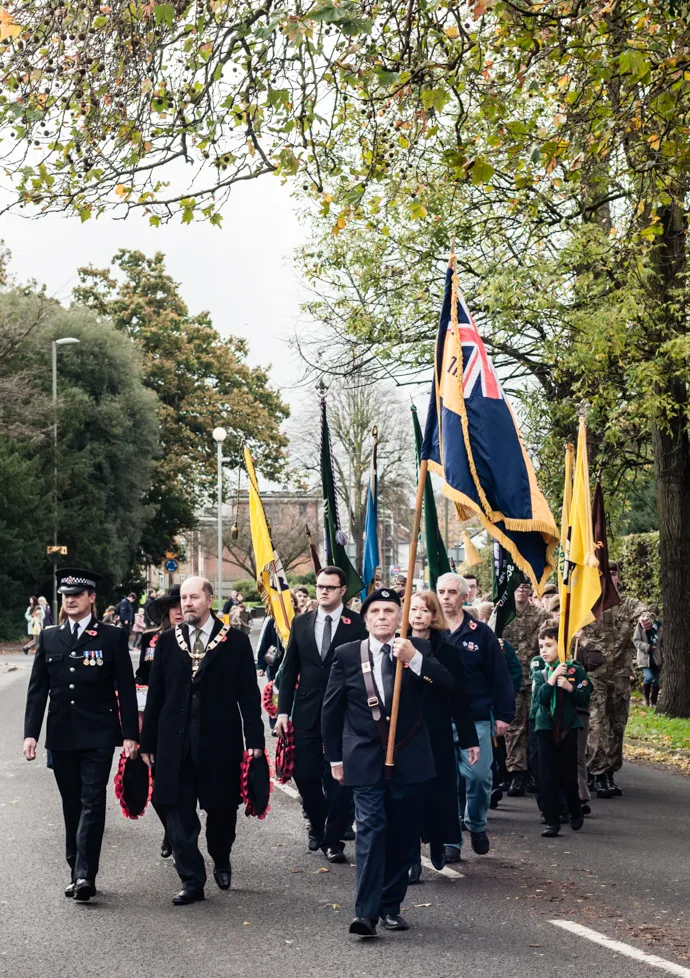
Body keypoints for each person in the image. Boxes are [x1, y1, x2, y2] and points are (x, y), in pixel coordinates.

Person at [322, 587, 454, 937]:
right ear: (365, 619)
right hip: (363, 758)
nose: (382, 617)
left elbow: (447, 686)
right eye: (376, 611)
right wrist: (334, 757)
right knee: (370, 829)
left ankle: (391, 905)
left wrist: (414, 659)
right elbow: (331, 710)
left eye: (390, 611)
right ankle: (365, 913)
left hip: (410, 757)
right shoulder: (348, 654)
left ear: (400, 618)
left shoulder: (418, 649)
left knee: (403, 835)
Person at [140, 576, 264, 906]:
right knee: (177, 814)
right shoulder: (166, 642)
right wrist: (147, 742)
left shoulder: (235, 642)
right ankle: (191, 880)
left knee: (222, 812)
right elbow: (156, 696)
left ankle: (221, 858)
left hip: (218, 744)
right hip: (174, 744)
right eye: (184, 598)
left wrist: (255, 741)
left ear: (210, 600)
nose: (187, 603)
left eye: (194, 597)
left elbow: (249, 696)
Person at [23, 567, 139, 901]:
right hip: (61, 734)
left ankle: (86, 874)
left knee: (92, 799)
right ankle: (75, 868)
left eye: (76, 595)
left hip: (99, 733)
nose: (70, 600)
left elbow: (126, 689)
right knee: (71, 803)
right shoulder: (49, 636)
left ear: (91, 598)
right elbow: (37, 690)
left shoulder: (111, 637)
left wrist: (130, 733)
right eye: (65, 596)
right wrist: (31, 733)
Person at [275, 566, 367, 863]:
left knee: (340, 781)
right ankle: (318, 823)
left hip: (346, 713)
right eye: (320, 586)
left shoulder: (357, 625)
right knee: (305, 774)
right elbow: (289, 672)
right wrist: (282, 712)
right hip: (307, 712)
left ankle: (332, 840)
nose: (323, 591)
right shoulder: (302, 623)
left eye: (330, 587)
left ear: (343, 590)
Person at [437, 573, 515, 862]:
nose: (445, 597)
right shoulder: (431, 632)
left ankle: (477, 823)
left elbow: (500, 676)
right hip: (441, 719)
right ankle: (451, 841)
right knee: (448, 782)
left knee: (479, 777)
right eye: (441, 592)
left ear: (463, 596)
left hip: (476, 718)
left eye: (451, 592)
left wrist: (504, 715)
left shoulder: (480, 633)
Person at [407, 591, 479, 883]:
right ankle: (410, 855)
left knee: (438, 792)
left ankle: (438, 841)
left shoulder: (447, 651)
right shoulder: (395, 645)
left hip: (436, 730)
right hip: (404, 733)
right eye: (413, 609)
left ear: (434, 615)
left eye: (424, 610)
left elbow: (459, 696)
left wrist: (469, 738)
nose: (418, 615)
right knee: (407, 795)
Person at [582, 562, 648, 798]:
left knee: (617, 725)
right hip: (595, 675)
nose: (609, 577)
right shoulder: (588, 602)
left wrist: (645, 620)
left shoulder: (627, 603)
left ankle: (609, 772)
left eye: (613, 573)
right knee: (598, 724)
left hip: (619, 674)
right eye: (605, 573)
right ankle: (597, 773)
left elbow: (644, 611)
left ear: (619, 577)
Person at [135, 584, 184, 859]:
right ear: (166, 609)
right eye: (173, 605)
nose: (179, 610)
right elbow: (143, 672)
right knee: (156, 788)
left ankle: (180, 833)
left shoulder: (196, 637)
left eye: (182, 604)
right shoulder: (151, 639)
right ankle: (171, 830)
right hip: (156, 719)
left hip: (186, 717)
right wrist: (137, 687)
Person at [530, 624, 591, 837]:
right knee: (546, 776)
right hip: (545, 727)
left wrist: (570, 688)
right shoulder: (540, 673)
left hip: (567, 727)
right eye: (541, 646)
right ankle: (552, 820)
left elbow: (585, 697)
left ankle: (575, 810)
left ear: (562, 646)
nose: (544, 650)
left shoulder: (575, 670)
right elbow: (540, 698)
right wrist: (553, 678)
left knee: (567, 775)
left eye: (549, 645)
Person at [501, 580, 552, 796]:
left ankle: (534, 771)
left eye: (525, 586)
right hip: (511, 679)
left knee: (535, 726)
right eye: (517, 586)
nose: (521, 590)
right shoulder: (501, 615)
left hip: (536, 680)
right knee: (513, 728)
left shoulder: (541, 616)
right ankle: (516, 774)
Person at [633, 608, 663, 707]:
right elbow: (636, 640)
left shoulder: (659, 627)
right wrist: (648, 647)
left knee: (656, 680)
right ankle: (645, 699)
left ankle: (653, 702)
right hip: (644, 657)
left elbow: (663, 642)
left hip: (657, 658)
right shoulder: (640, 626)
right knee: (649, 677)